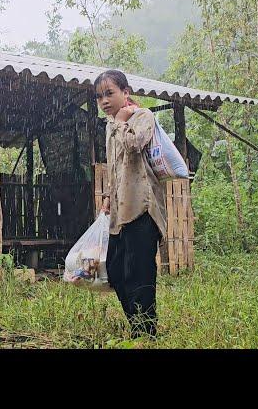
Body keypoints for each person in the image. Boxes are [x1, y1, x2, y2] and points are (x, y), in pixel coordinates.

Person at [95, 70, 166, 339]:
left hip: (142, 208)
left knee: (141, 274)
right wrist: (108, 197)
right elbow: (116, 167)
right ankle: (137, 326)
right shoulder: (110, 126)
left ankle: (147, 333)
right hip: (119, 210)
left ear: (126, 92)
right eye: (99, 96)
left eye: (109, 93)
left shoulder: (142, 116)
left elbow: (135, 144)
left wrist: (122, 121)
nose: (104, 101)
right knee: (115, 271)